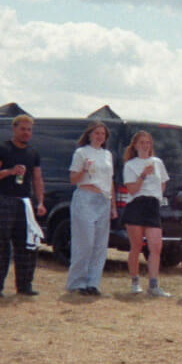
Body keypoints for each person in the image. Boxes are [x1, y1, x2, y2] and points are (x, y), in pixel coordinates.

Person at [0, 114, 45, 297]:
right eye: (23, 129)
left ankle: (25, 286)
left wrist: (40, 202)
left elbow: (37, 178)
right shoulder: (1, 149)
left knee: (27, 245)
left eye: (29, 130)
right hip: (5, 200)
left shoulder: (33, 153)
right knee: (0, 246)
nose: (26, 133)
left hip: (25, 203)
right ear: (14, 129)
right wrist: (10, 172)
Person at [65, 121, 113, 295]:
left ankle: (93, 283)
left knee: (100, 245)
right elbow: (73, 179)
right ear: (90, 135)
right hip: (85, 197)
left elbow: (110, 180)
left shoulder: (107, 155)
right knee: (85, 242)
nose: (99, 136)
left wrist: (113, 206)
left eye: (102, 134)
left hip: (104, 199)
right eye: (96, 133)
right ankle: (77, 282)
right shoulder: (81, 152)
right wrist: (84, 170)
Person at [121, 130, 171, 297]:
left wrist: (156, 194)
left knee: (155, 246)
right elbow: (132, 189)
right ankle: (135, 282)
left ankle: (153, 285)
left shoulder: (157, 162)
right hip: (136, 205)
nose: (145, 145)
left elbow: (163, 183)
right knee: (136, 246)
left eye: (147, 142)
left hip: (152, 205)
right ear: (135, 145)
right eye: (141, 142)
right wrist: (143, 175)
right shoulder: (130, 165)